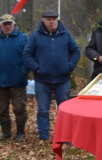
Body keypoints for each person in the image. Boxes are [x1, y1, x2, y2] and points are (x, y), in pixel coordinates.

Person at [22, 10, 80, 141]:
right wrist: (37, 68)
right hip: (42, 80)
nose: (51, 21)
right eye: (48, 19)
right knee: (42, 109)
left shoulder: (65, 34)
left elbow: (75, 51)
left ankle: (66, 136)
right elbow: (27, 54)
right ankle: (43, 135)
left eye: (54, 19)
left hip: (62, 79)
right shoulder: (36, 35)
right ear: (43, 20)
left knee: (65, 109)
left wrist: (69, 66)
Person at [0, 13, 29, 143]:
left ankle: (20, 132)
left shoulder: (23, 39)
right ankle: (6, 132)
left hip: (18, 82)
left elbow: (29, 57)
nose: (7, 26)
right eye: (5, 24)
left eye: (9, 24)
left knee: (19, 108)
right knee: (1, 109)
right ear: (0, 25)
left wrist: (23, 72)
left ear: (14, 24)